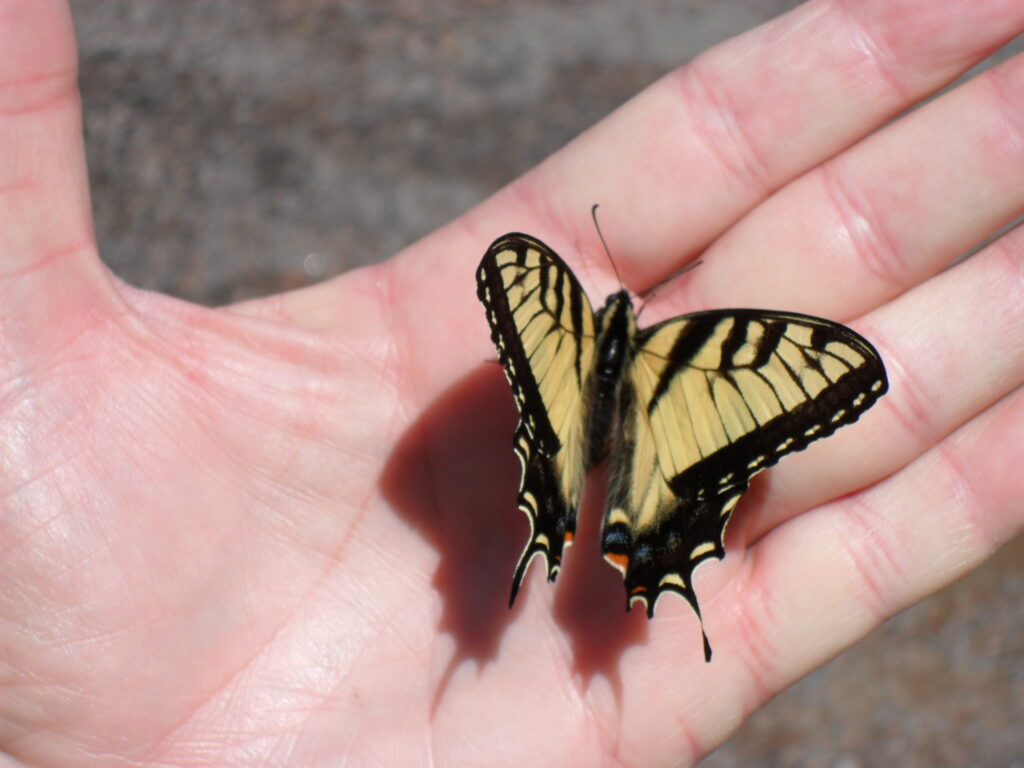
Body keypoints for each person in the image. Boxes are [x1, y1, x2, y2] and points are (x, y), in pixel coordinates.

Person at [1, 1, 1021, 764]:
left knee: (599, 462)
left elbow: (543, 321)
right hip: (658, 449)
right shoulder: (692, 346)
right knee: (651, 461)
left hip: (595, 434)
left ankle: (584, 523)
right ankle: (629, 536)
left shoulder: (556, 311)